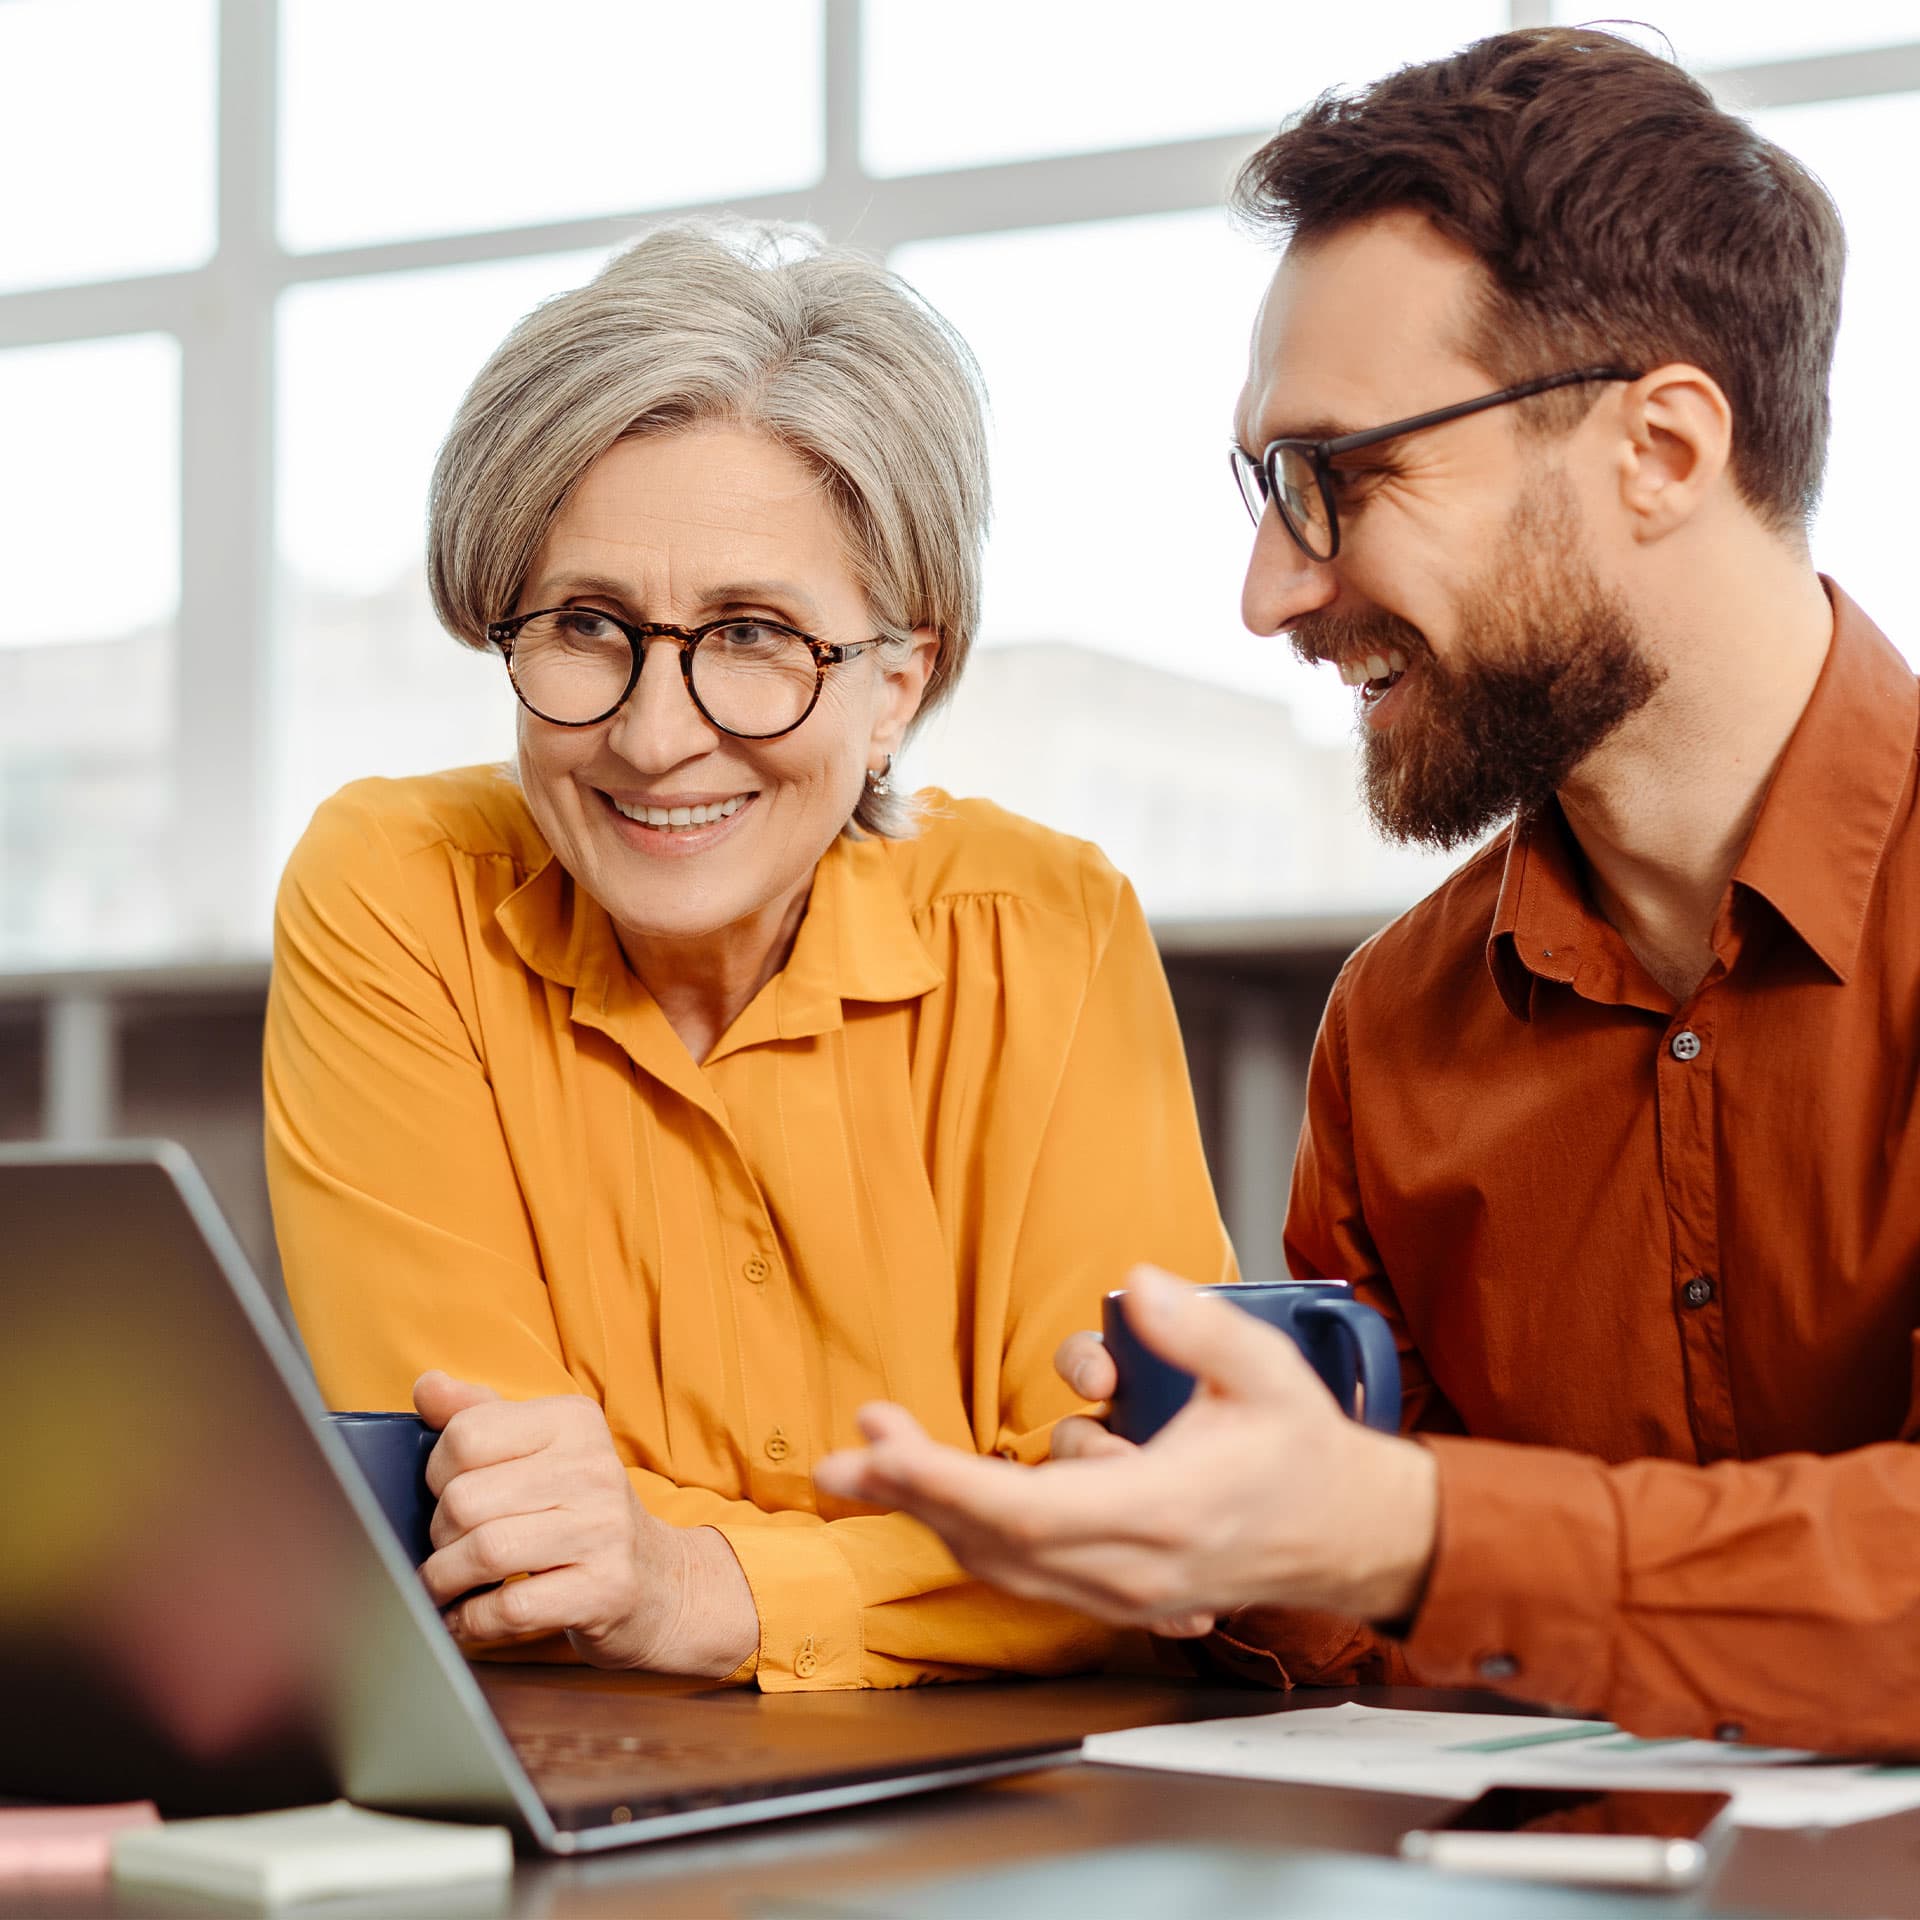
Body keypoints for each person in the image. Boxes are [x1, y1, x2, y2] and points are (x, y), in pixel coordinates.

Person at [817, 27, 1920, 1752]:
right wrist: (1219, 1542)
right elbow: (1372, 1634)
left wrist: (1403, 1531)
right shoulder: (1399, 1029)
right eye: (1269, 489)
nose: (1270, 591)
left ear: (1664, 449)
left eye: (1344, 477)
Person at [264, 220, 1232, 1692]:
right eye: (589, 626)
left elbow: (1145, 1545)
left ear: (900, 685)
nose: (656, 737)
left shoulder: (1049, 930)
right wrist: (972, 1568)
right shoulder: (397, 896)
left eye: (755, 635)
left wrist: (695, 1586)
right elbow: (508, 1543)